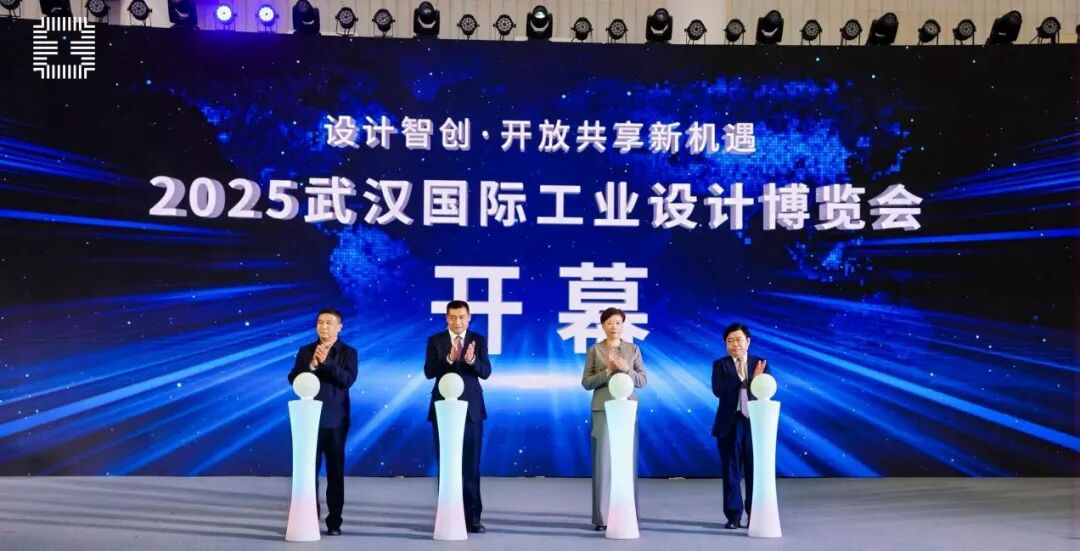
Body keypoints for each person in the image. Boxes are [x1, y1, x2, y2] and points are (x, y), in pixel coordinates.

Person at [287, 308, 358, 536]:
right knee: (309, 472)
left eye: (329, 323)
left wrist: (327, 363)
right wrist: (312, 366)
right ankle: (309, 517)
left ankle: (334, 521)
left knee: (335, 472)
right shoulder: (306, 350)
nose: (323, 327)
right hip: (309, 421)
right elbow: (293, 378)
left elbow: (347, 380)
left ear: (339, 327)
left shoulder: (348, 352)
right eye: (320, 322)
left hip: (336, 420)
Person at [424, 300, 491, 533]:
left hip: (471, 410)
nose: (457, 321)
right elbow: (429, 372)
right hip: (443, 409)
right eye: (452, 317)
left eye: (462, 317)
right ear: (447, 318)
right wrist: (449, 359)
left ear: (469, 317)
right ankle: (448, 514)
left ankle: (472, 518)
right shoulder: (436, 340)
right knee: (447, 466)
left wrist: (471, 360)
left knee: (471, 467)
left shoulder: (478, 340)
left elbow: (486, 372)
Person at [581, 307, 647, 531]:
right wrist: (607, 371)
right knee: (603, 463)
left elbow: (642, 380)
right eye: (609, 323)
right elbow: (586, 383)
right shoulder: (595, 350)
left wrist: (627, 369)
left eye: (618, 323)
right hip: (602, 409)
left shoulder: (633, 349)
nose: (614, 327)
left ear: (623, 325)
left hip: (627, 410)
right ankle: (602, 518)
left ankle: (629, 514)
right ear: (602, 325)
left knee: (627, 462)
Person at [711, 322, 767, 529]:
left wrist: (757, 380)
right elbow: (718, 390)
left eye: (738, 340)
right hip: (729, 423)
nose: (735, 345)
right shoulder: (720, 364)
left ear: (748, 341)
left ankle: (755, 514)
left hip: (754, 423)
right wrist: (747, 379)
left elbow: (766, 391)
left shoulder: (760, 363)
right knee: (731, 472)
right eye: (730, 341)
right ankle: (733, 516)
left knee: (754, 472)